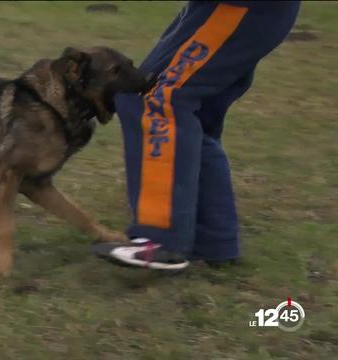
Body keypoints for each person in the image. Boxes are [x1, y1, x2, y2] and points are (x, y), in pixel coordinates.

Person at [93, 1, 301, 270]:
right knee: (193, 118)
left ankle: (160, 240)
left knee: (156, 98)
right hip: (234, 10)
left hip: (241, 8)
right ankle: (213, 241)